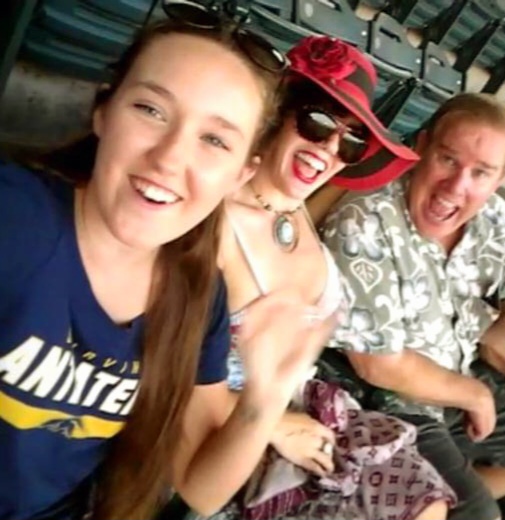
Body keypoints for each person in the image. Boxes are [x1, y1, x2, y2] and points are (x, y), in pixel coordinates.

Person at [0, 18, 330, 520]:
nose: (170, 158)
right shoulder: (16, 218)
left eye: (215, 140)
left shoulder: (198, 297)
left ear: (240, 174)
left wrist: (266, 398)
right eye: (151, 110)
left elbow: (197, 489)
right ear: (103, 112)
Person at [321, 93, 505, 520]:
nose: (458, 186)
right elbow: (376, 364)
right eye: (447, 159)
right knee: (479, 513)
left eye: (481, 173)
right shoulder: (366, 218)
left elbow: (495, 338)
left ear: (498, 179)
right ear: (421, 147)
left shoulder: (493, 219)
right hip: (387, 399)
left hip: (456, 373)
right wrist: (475, 394)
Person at [209, 35, 454, 520]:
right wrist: (270, 423)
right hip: (229, 427)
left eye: (353, 140)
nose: (330, 147)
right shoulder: (212, 219)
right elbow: (163, 365)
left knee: (430, 506)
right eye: (316, 122)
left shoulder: (298, 207)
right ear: (278, 114)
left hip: (311, 410)